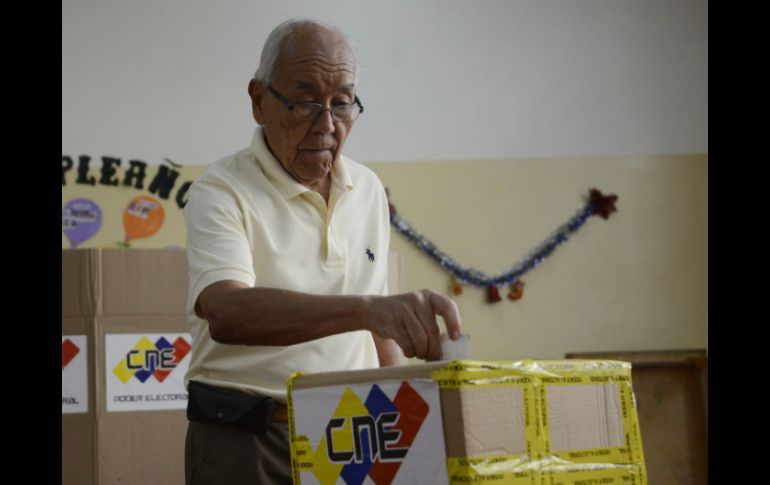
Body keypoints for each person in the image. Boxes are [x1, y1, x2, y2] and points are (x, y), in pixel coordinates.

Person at [183, 18, 462, 484]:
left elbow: (377, 338)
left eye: (343, 103)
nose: (327, 125)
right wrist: (370, 311)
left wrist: (413, 426)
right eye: (307, 101)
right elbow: (226, 310)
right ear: (258, 101)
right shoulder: (221, 190)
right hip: (248, 435)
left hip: (352, 431)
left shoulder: (367, 189)